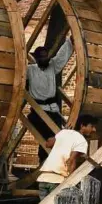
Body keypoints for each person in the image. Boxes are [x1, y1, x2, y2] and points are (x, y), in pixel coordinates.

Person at [25, 114, 98, 204]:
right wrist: (70, 182)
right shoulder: (81, 141)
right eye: (92, 126)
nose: (94, 130)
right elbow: (71, 161)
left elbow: (48, 143)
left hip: (44, 177)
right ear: (82, 126)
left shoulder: (64, 133)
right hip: (57, 179)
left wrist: (63, 136)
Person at [27, 36, 73, 164]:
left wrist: (70, 41)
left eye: (46, 56)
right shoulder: (30, 70)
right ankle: (44, 163)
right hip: (38, 111)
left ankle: (54, 165)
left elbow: (61, 56)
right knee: (45, 140)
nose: (45, 58)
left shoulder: (52, 66)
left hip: (53, 110)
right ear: (36, 58)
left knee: (57, 137)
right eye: (41, 57)